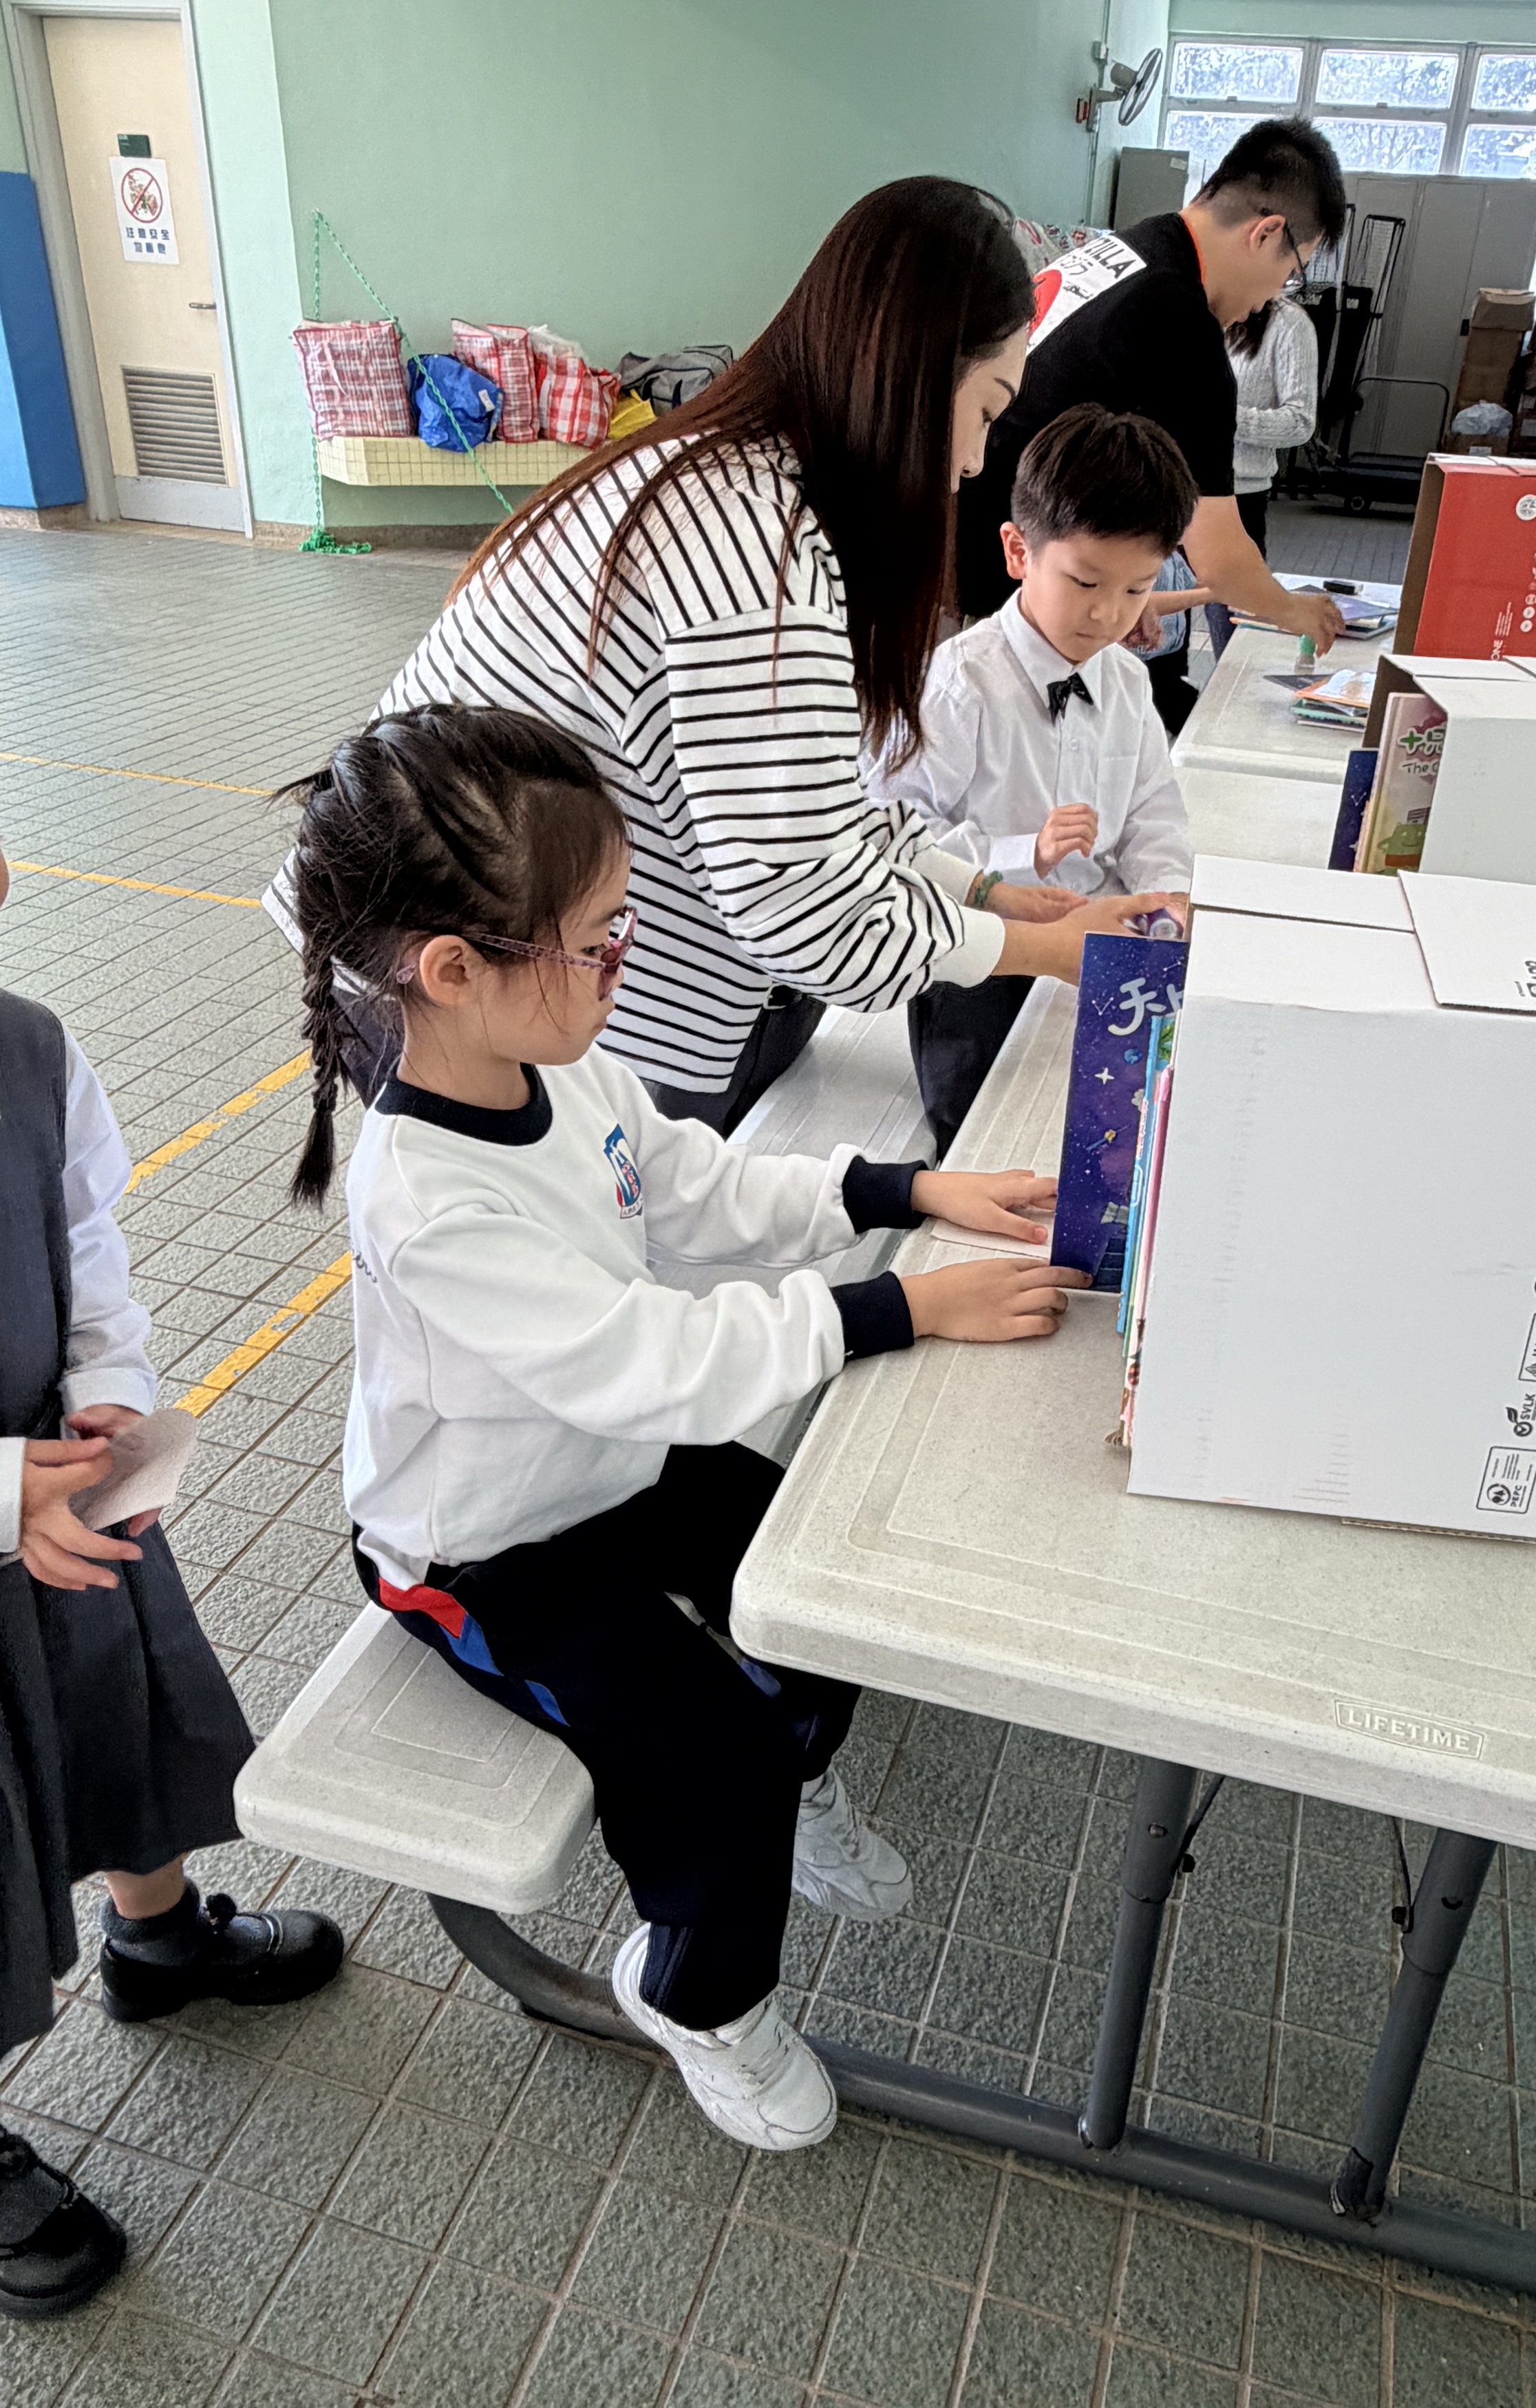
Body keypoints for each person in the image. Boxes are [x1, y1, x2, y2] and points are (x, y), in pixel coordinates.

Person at [282, 705, 1090, 2154]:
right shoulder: (427, 1199)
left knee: (816, 1578)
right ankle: (694, 1993)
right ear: (454, 970)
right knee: (709, 1766)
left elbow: (695, 1188)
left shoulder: (560, 1066)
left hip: (608, 1467)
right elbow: (646, 1364)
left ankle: (799, 1772)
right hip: (480, 1549)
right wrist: (903, 1307)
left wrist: (906, 1193)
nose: (625, 960)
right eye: (598, 940)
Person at [359, 178, 1167, 1137]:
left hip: (522, 965)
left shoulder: (744, 486)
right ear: (911, 381)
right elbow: (803, 911)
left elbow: (827, 812)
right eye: (986, 410)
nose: (971, 463)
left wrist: (984, 890)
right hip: (463, 980)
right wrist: (1037, 946)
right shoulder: (752, 549)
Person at [0, 840, 343, 2321]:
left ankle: (157, 1934)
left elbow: (87, 1243)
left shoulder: (30, 1047)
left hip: (64, 1486)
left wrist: (105, 1396)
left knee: (124, 1709)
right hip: (11, 1496)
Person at [954, 118, 1349, 739]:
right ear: (1266, 232)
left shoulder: (1127, 248)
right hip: (991, 590)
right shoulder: (1179, 320)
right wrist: (1295, 611)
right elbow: (1218, 554)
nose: (1273, 296)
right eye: (1291, 273)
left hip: (954, 534)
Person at [869, 405, 1195, 1154]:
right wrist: (1026, 853)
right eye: (1085, 582)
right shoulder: (961, 682)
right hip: (980, 954)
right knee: (984, 1134)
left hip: (1098, 942)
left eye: (1138, 590)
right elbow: (893, 834)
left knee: (1101, 1125)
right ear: (1018, 550)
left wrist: (1166, 892)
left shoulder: (1125, 680)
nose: (1108, 614)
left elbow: (1152, 809)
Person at [1200, 288, 1320, 662]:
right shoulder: (1187, 307)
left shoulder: (1287, 323)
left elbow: (1300, 422)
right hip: (1168, 490)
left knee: (1234, 636)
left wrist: (1222, 416)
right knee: (1153, 637)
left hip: (1237, 496)